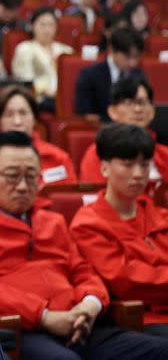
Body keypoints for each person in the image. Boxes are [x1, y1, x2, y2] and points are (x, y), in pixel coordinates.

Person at [0, 131, 168, 359]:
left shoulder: (52, 221)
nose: (23, 186)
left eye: (32, 176)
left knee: (160, 350)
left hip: (78, 322)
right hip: (24, 328)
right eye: (12, 176)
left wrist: (90, 303)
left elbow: (83, 271)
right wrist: (44, 315)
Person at [71, 124, 168, 336]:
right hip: (142, 320)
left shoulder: (160, 215)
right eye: (128, 165)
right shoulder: (88, 224)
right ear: (104, 168)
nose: (138, 174)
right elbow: (127, 282)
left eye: (144, 166)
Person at [0, 85, 77, 186]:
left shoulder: (57, 158)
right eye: (9, 115)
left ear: (34, 119)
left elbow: (70, 200)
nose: (17, 121)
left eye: (23, 113)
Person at [79, 75, 168, 185]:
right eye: (129, 102)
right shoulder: (99, 153)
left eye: (142, 102)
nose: (138, 109)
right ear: (112, 111)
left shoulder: (165, 154)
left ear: (153, 111)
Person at [75, 26, 145, 121]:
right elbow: (86, 115)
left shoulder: (139, 75)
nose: (133, 63)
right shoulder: (90, 75)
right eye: (127, 56)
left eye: (136, 57)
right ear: (112, 50)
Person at [11, 7, 73, 108]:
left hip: (64, 96)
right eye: (42, 25)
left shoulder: (66, 50)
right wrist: (44, 90)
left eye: (51, 25)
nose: (47, 29)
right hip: (40, 98)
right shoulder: (25, 48)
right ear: (32, 26)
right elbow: (24, 80)